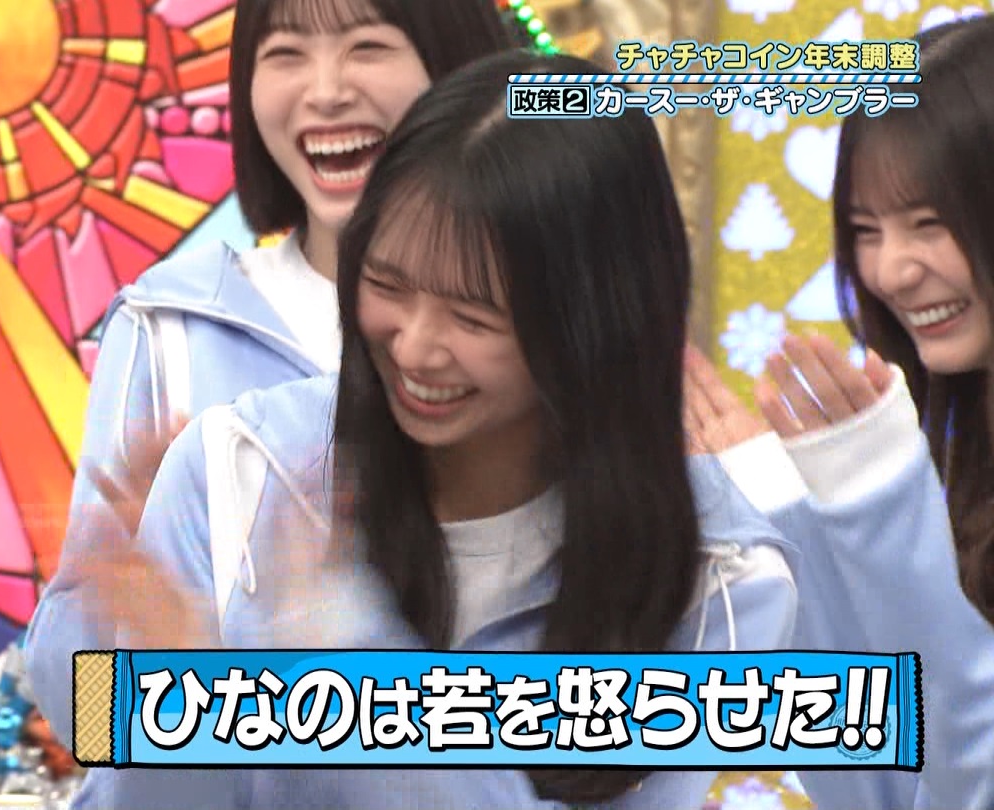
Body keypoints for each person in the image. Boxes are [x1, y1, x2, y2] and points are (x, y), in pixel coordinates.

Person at [110, 49, 798, 809]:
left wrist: (339, 651)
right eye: (386, 283)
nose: (414, 348)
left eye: (473, 316)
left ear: (595, 322)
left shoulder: (722, 579)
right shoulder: (239, 466)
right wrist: (161, 700)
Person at [24, 0, 518, 805]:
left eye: (367, 47)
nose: (324, 91)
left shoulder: (544, 334)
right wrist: (148, 639)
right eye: (285, 54)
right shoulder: (170, 329)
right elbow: (78, 712)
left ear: (457, 71)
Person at [685, 15, 994, 810]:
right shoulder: (958, 454)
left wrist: (881, 505)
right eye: (865, 230)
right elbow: (884, 788)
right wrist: (789, 522)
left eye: (930, 223)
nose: (891, 269)